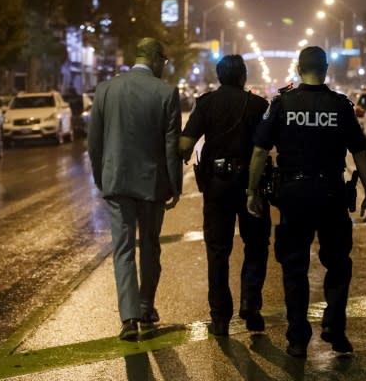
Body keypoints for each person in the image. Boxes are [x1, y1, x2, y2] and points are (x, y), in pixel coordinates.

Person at [246, 46, 366, 358]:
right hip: (331, 193)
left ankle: (297, 338)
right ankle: (334, 326)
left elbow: (260, 151)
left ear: (298, 68)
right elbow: (359, 153)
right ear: (326, 68)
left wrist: (252, 191)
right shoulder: (341, 106)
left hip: (294, 195)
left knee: (294, 267)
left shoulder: (282, 103)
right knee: (338, 263)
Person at [87, 37, 182, 341]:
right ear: (155, 60)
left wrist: (102, 178)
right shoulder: (166, 92)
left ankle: (128, 317)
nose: (164, 67)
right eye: (163, 62)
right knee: (150, 246)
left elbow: (94, 143)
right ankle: (145, 306)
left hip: (116, 182)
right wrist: (175, 185)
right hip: (152, 184)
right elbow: (171, 147)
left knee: (123, 249)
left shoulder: (105, 90)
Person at [179, 55, 271, 337]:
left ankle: (220, 317)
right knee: (256, 245)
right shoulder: (258, 105)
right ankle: (250, 305)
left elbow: (185, 144)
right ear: (243, 76)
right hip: (250, 184)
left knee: (218, 250)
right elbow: (268, 146)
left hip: (217, 186)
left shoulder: (206, 103)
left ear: (219, 76)